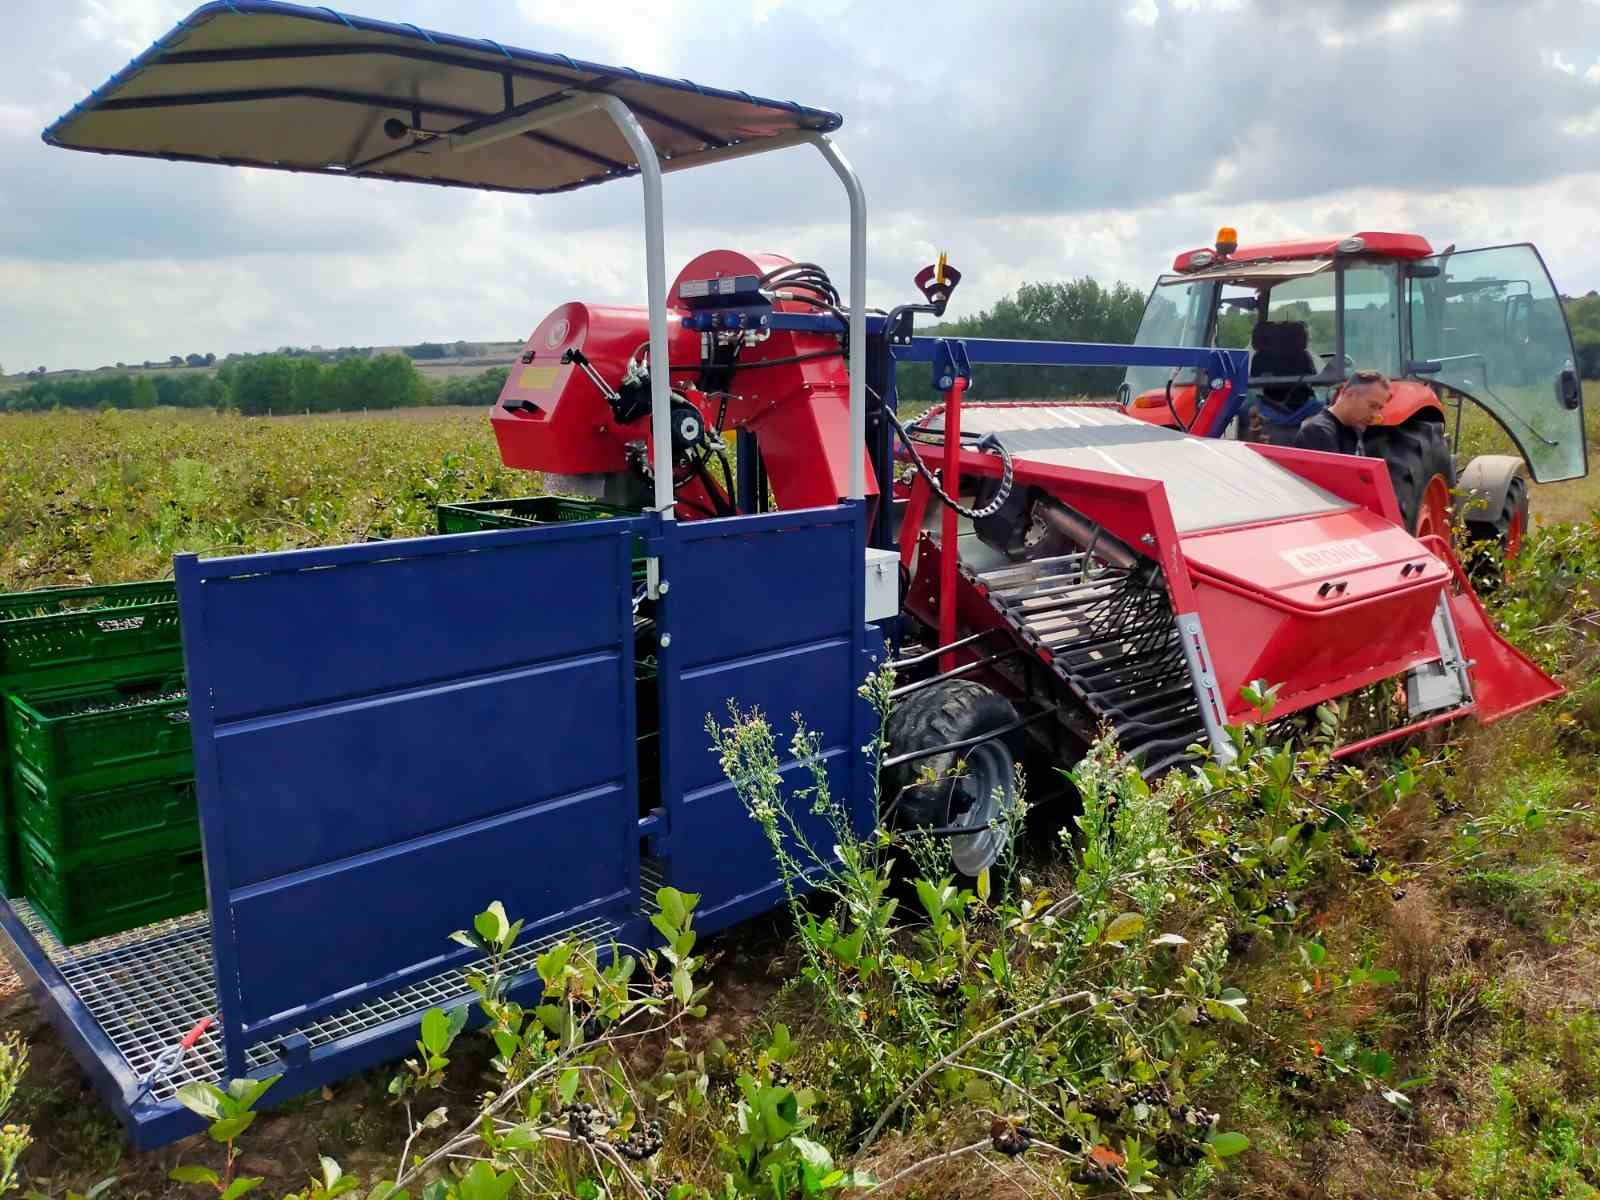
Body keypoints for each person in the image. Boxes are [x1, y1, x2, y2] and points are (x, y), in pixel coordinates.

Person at [1293, 369, 1391, 455]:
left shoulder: (1353, 430)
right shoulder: (1318, 432)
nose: (1375, 415)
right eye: (1372, 406)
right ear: (1350, 393)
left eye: (1379, 408)